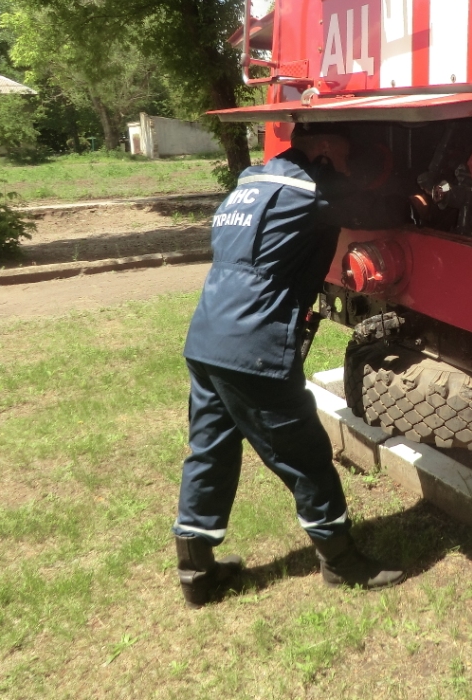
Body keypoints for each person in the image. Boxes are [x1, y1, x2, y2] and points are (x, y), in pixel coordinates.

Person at [172, 123, 405, 608]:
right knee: (305, 456)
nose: (347, 164)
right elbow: (373, 210)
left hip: (208, 334)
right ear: (325, 148)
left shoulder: (249, 182)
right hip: (252, 346)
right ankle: (341, 562)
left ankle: (196, 573)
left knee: (209, 451)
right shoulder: (312, 191)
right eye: (346, 152)